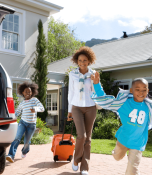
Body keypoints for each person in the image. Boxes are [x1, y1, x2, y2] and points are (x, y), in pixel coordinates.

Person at [91, 72, 152, 175]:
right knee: (117, 157)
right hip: (123, 139)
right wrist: (97, 84)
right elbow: (106, 100)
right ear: (131, 91)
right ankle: (117, 152)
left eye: (144, 90)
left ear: (148, 91)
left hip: (138, 143)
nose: (141, 92)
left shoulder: (149, 107)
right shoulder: (123, 104)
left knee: (132, 169)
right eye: (137, 90)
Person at [67, 46, 97, 175]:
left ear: (89, 61)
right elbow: (71, 92)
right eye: (80, 60)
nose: (82, 62)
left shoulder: (94, 74)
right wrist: (69, 110)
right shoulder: (72, 74)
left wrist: (95, 82)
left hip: (91, 107)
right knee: (81, 136)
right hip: (76, 107)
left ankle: (84, 167)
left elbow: (97, 92)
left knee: (88, 138)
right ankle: (76, 159)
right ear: (76, 61)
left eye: (85, 60)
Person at [6, 82, 44, 163]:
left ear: (32, 92)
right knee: (17, 138)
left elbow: (42, 108)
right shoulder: (22, 103)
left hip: (32, 125)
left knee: (27, 142)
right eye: (26, 91)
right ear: (22, 92)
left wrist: (35, 109)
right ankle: (11, 155)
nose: (28, 93)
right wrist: (10, 118)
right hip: (23, 122)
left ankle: (24, 151)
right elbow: (17, 113)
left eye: (29, 91)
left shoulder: (34, 100)